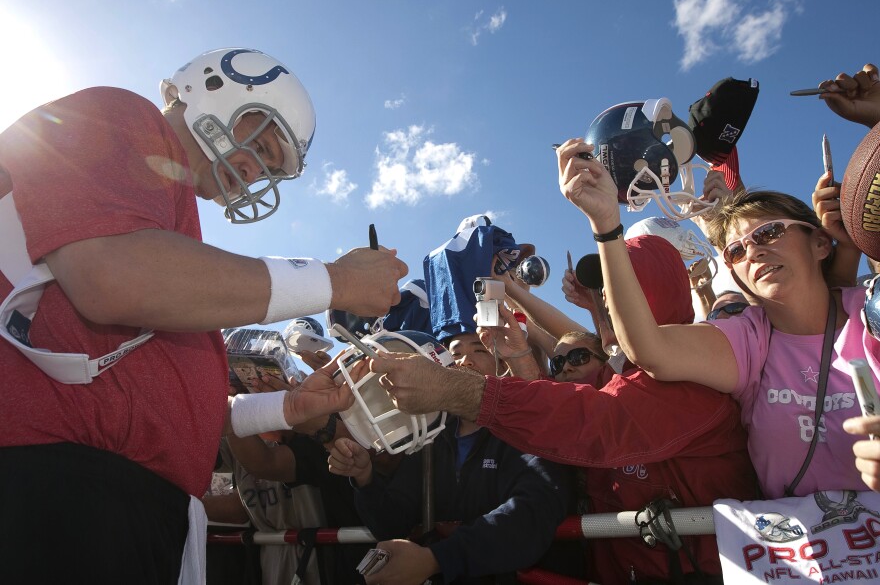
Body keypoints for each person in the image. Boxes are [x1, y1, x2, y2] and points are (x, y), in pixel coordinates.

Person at [0, 47, 406, 584]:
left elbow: (172, 407)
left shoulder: (173, 225)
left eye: (273, 168)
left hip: (125, 492)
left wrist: (284, 407)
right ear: (217, 89)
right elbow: (112, 275)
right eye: (260, 144)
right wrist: (337, 280)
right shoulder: (123, 115)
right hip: (65, 477)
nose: (258, 171)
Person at [356, 235, 756, 584]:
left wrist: (455, 390)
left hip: (697, 574)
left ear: (654, 294)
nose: (607, 300)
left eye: (619, 288)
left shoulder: (692, 383)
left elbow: (587, 420)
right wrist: (517, 346)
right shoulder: (619, 376)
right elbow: (554, 417)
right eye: (605, 290)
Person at [552, 123, 880, 501]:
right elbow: (651, 347)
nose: (753, 251)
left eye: (769, 232)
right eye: (736, 251)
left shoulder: (869, 313)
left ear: (821, 242)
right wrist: (606, 223)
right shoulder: (750, 339)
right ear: (736, 275)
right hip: (805, 553)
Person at [328, 330, 578, 585]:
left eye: (478, 351)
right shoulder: (431, 440)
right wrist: (364, 478)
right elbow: (393, 525)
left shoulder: (525, 428)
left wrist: (438, 558)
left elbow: (533, 511)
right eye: (455, 353)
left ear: (502, 365)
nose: (464, 361)